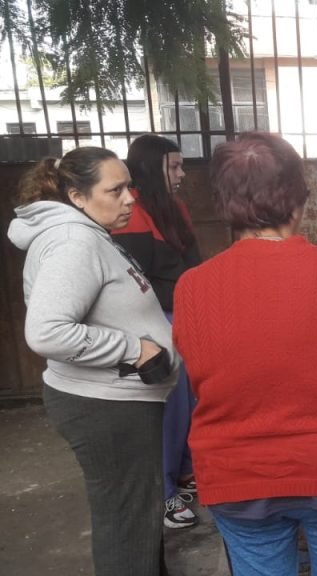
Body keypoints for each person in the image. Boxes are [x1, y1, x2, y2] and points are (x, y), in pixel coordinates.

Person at [172, 132, 317, 576]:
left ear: (223, 203)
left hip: (237, 470)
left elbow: (201, 374)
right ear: (298, 199)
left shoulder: (193, 286)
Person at [7, 146, 179, 576]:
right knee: (128, 525)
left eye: (130, 187)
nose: (130, 199)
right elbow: (46, 331)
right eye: (115, 189)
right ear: (77, 196)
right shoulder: (72, 241)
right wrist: (133, 348)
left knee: (136, 518)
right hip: (106, 407)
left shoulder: (86, 232)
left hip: (116, 402)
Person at [112, 134, 201, 529]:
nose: (181, 174)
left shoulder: (175, 208)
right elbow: (139, 279)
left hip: (183, 314)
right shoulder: (133, 213)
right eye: (174, 166)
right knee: (169, 406)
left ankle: (184, 471)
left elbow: (192, 264)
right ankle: (163, 493)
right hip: (155, 321)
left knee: (194, 399)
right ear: (151, 168)